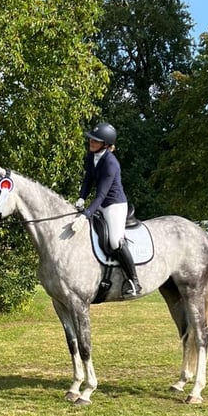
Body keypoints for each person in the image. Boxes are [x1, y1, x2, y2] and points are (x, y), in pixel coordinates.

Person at [70, 122, 142, 298]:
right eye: (91, 140)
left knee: (115, 241)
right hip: (101, 203)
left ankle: (134, 280)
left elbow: (101, 194)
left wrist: (86, 214)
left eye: (96, 141)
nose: (91, 143)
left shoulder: (111, 163)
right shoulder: (91, 156)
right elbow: (88, 180)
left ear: (106, 144)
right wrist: (81, 197)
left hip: (114, 205)